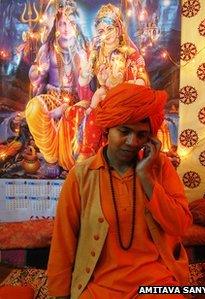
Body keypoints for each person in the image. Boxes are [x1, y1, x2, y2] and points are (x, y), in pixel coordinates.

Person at [47, 83, 192, 299]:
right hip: (99, 286)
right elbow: (63, 238)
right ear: (107, 129)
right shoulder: (82, 175)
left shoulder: (160, 167)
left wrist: (146, 177)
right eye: (124, 131)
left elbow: (180, 224)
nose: (133, 142)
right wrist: (60, 294)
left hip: (156, 283)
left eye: (141, 135)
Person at [74, 3, 150, 162]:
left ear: (119, 28)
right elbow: (83, 81)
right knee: (94, 114)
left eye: (110, 29)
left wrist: (128, 85)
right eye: (101, 31)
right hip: (103, 97)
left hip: (125, 98)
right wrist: (87, 69)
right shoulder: (96, 53)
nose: (106, 34)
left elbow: (143, 79)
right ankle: (87, 153)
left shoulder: (129, 52)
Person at [25, 3, 92, 171]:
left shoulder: (83, 50)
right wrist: (37, 72)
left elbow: (87, 86)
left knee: (79, 126)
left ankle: (65, 157)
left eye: (70, 23)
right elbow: (35, 77)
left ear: (76, 25)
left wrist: (85, 71)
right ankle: (51, 158)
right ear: (56, 25)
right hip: (52, 96)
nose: (66, 27)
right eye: (62, 23)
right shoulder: (47, 48)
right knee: (33, 109)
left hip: (75, 103)